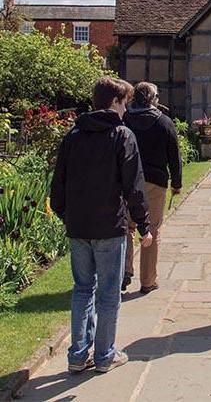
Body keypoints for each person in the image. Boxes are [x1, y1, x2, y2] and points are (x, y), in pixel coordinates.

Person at [51, 76, 152, 374]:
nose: (126, 110)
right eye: (125, 103)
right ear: (114, 102)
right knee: (108, 292)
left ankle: (77, 355)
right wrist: (144, 225)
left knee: (83, 289)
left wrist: (63, 213)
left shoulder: (73, 135)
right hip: (110, 225)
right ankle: (105, 355)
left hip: (79, 226)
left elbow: (59, 183)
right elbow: (134, 185)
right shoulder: (122, 135)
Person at [122, 82, 182, 294]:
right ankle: (148, 281)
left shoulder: (125, 119)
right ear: (153, 98)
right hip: (155, 182)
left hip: (128, 181)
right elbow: (174, 155)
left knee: (127, 227)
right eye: (157, 96)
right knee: (151, 230)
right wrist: (176, 183)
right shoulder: (164, 122)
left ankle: (125, 270)